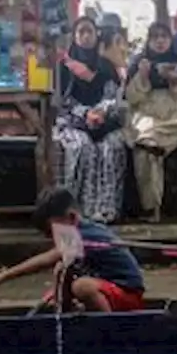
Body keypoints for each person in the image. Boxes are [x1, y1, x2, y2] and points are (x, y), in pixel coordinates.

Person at [0, 186, 145, 313]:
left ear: (71, 218)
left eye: (52, 231)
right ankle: (65, 318)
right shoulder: (75, 232)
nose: (53, 238)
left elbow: (47, 259)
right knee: (60, 275)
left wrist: (3, 276)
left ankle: (110, 330)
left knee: (82, 286)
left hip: (128, 293)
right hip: (107, 288)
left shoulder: (86, 234)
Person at [125, 22, 177, 221]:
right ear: (149, 40)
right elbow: (131, 99)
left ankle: (155, 140)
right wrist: (142, 78)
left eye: (164, 37)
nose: (160, 41)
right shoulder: (139, 61)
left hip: (173, 114)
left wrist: (176, 82)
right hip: (147, 112)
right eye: (156, 37)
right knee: (146, 141)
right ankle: (152, 209)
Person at [55, 17, 127, 224]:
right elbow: (62, 100)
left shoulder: (106, 66)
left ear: (97, 36)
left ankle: (106, 210)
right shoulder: (65, 66)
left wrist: (102, 112)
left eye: (90, 32)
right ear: (75, 37)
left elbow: (114, 96)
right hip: (72, 122)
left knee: (112, 148)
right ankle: (76, 210)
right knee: (82, 147)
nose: (86, 37)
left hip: (105, 122)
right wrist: (85, 114)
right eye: (81, 32)